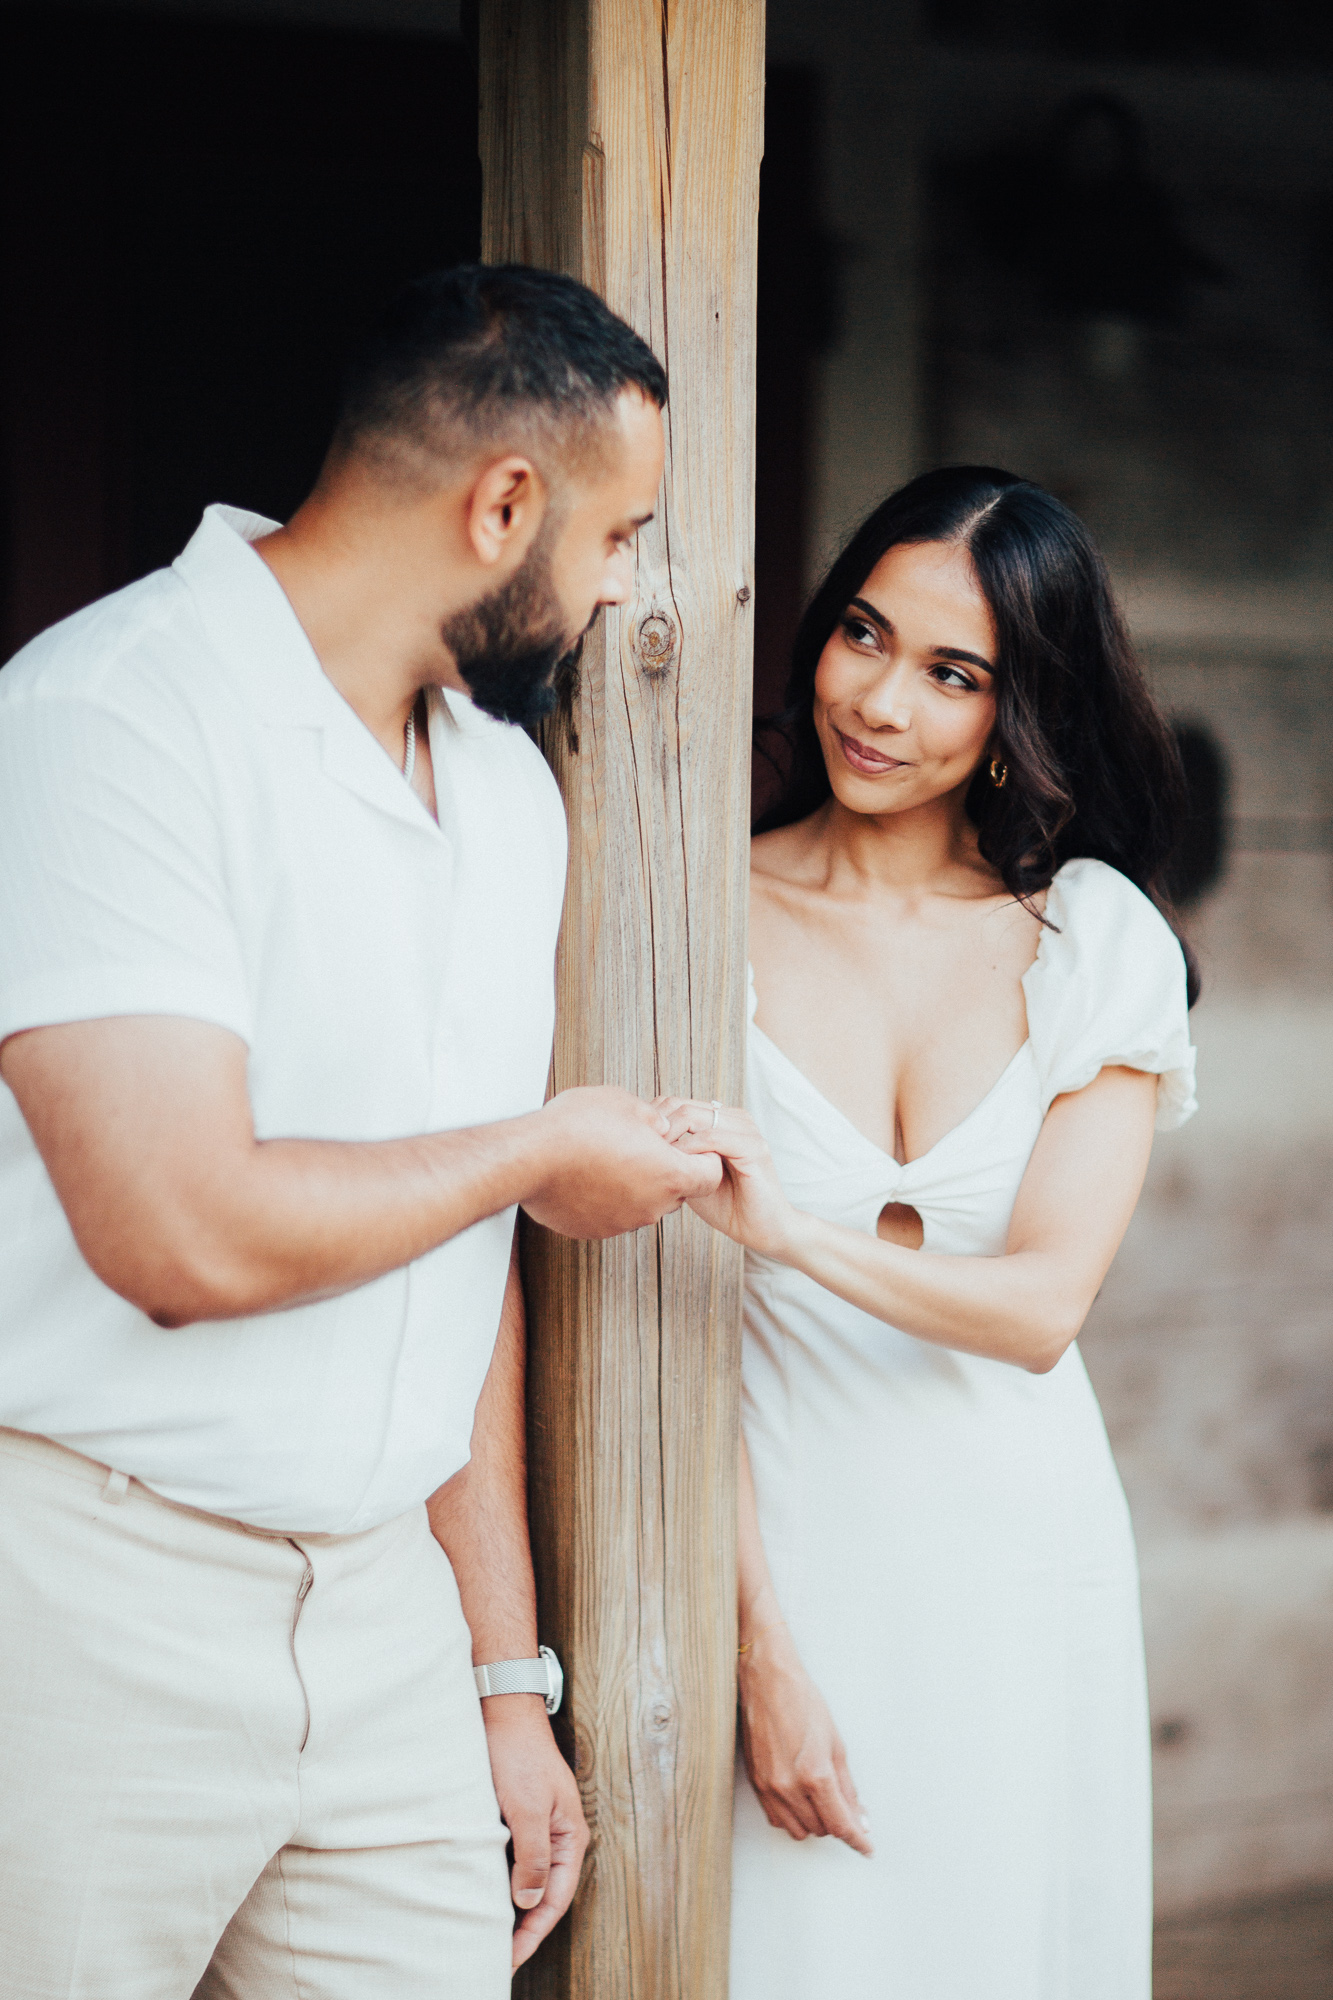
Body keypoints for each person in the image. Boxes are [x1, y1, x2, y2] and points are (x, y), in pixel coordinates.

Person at [0, 264, 722, 2000]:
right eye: (620, 532)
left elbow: (448, 1255)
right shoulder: (108, 718)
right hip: (88, 1591)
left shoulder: (504, 789)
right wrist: (541, 1153)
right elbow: (182, 1236)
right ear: (502, 506)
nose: (629, 582)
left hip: (390, 1620)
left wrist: (498, 1678)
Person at [665, 467, 1197, 1999]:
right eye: (860, 636)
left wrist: (789, 1232)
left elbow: (1038, 1309)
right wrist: (759, 1650)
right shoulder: (693, 912)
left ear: (1017, 706)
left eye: (950, 673)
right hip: (779, 1550)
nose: (880, 703)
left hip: (1019, 1564)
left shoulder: (1089, 936)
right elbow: (652, 1308)